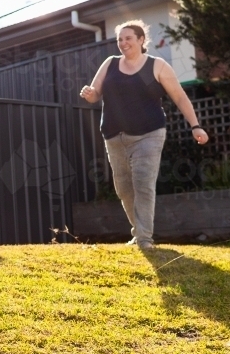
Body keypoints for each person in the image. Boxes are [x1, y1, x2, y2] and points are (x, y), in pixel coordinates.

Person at [80, 20, 209, 250]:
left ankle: (144, 238)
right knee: (123, 188)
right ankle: (137, 232)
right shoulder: (109, 64)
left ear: (141, 40)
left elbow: (179, 97)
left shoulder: (157, 66)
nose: (123, 43)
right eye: (120, 39)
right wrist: (89, 93)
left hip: (149, 134)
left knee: (143, 183)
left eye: (128, 38)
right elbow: (95, 93)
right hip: (114, 136)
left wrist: (195, 125)